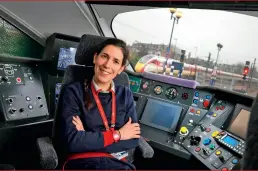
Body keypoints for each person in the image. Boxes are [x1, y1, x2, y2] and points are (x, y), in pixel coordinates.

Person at [58, 38, 141, 170]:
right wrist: (118, 135)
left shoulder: (125, 94)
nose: (107, 65)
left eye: (115, 61)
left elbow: (133, 139)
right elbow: (73, 142)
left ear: (121, 69)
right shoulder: (73, 91)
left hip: (117, 162)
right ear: (95, 58)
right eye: (104, 56)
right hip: (83, 161)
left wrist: (86, 138)